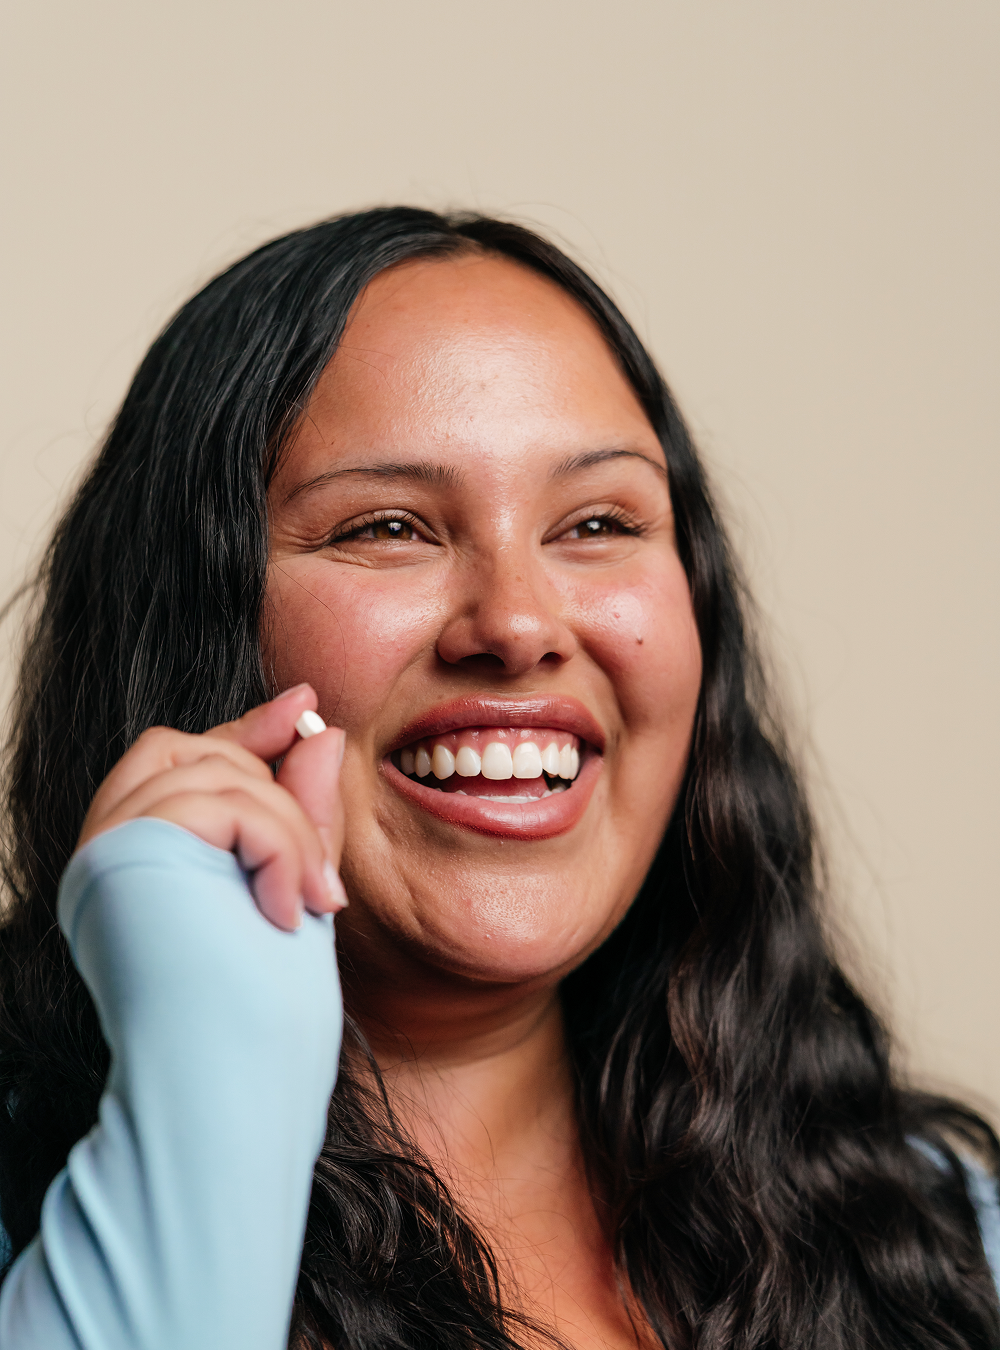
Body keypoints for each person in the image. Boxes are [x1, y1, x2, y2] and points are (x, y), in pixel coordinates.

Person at [0, 207, 996, 1350]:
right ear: (188, 627)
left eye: (598, 521)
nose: (517, 624)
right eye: (388, 526)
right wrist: (203, 1087)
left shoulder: (944, 1242)